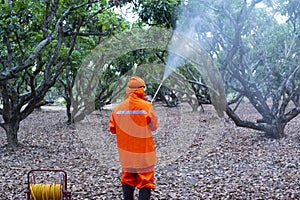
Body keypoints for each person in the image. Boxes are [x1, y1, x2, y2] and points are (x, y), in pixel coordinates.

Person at [109, 76, 159, 200]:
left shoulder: (117, 108)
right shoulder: (146, 106)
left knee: (127, 180)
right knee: (145, 181)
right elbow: (154, 127)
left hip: (126, 154)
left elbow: (112, 129)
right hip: (144, 154)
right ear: (141, 89)